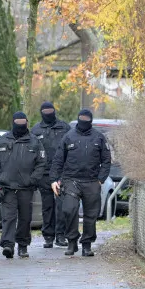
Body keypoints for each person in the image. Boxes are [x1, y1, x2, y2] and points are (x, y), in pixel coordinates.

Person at [50, 109, 111, 257]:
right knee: (69, 210)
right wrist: (53, 180)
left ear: (90, 120)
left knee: (91, 215)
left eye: (86, 118)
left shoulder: (99, 138)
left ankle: (87, 245)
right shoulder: (68, 137)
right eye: (82, 118)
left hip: (92, 181)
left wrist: (100, 179)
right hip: (71, 180)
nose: (84, 120)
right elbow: (58, 160)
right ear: (78, 119)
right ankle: (71, 242)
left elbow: (106, 160)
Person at [0, 112, 46, 259]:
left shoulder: (35, 142)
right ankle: (8, 245)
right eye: (17, 122)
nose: (20, 125)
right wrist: (0, 177)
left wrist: (33, 179)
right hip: (7, 187)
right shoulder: (2, 141)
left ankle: (23, 246)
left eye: (23, 122)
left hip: (26, 188)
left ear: (27, 123)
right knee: (8, 217)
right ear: (13, 122)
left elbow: (41, 163)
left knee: (25, 218)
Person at [31, 101, 71, 248]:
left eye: (50, 110)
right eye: (45, 111)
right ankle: (48, 236)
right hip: (44, 174)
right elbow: (32, 152)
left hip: (61, 173)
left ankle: (60, 235)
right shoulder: (36, 130)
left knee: (61, 205)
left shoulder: (64, 127)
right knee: (47, 206)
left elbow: (71, 148)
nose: (48, 113)